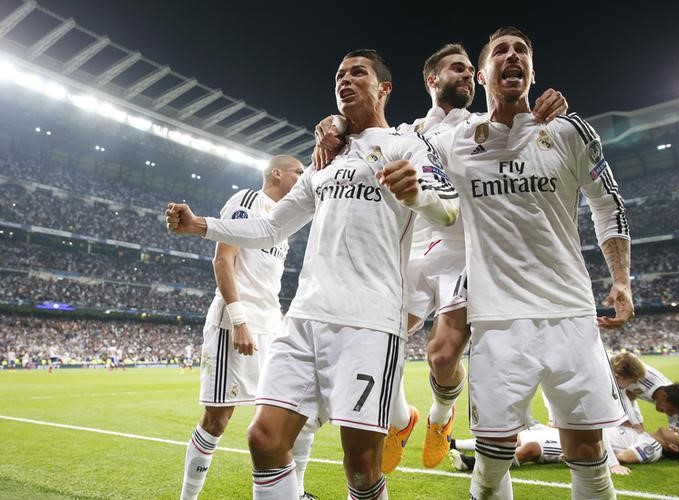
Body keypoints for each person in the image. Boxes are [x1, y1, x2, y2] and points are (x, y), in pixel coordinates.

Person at [167, 49, 459, 499]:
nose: (344, 80)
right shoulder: (325, 161)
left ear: (384, 88)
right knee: (263, 439)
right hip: (303, 320)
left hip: (369, 324)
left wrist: (419, 196)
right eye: (339, 75)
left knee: (361, 465)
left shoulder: (407, 145)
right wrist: (199, 225)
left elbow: (450, 211)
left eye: (357, 73)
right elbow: (269, 225)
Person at [312, 43, 567, 472]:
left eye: (471, 70)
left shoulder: (483, 124)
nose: (467, 75)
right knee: (375, 339)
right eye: (457, 69)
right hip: (412, 250)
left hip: (463, 252)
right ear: (432, 81)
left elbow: (522, 129)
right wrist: (334, 123)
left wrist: (548, 109)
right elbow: (367, 132)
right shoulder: (411, 132)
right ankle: (399, 419)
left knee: (443, 356)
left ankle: (439, 417)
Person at [430, 26, 634, 499]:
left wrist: (621, 281)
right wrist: (337, 127)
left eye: (521, 51)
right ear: (482, 75)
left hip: (571, 313)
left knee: (587, 453)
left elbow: (609, 205)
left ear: (532, 71)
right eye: (500, 51)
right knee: (492, 458)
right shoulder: (457, 140)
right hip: (499, 319)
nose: (512, 56)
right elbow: (395, 142)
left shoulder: (568, 130)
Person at [178, 155, 321, 500]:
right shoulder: (248, 201)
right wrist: (240, 320)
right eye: (298, 172)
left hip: (272, 324)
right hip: (236, 323)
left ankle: (296, 492)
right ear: (277, 173)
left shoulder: (283, 221)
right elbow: (223, 259)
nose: (302, 178)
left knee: (297, 408)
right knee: (218, 419)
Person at [449, 423, 679, 474]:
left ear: (674, 449)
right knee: (520, 436)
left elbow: (624, 456)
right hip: (575, 430)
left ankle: (472, 465)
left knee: (531, 448)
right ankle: (453, 444)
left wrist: (606, 460)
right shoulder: (643, 430)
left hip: (581, 441)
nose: (677, 430)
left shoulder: (653, 446)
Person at [624, 362, 679, 434]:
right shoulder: (640, 377)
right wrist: (636, 423)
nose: (670, 415)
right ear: (664, 396)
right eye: (670, 410)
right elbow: (625, 397)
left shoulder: (670, 396)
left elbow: (678, 429)